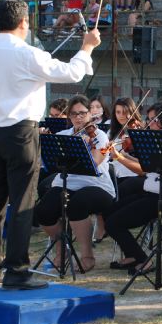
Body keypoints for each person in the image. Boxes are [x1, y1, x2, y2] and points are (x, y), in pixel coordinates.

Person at [0, 0, 100, 290]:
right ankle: (16, 271)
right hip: (20, 132)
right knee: (22, 203)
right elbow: (72, 73)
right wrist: (88, 46)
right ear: (23, 23)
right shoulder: (28, 53)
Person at [104, 101, 162, 275]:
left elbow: (144, 169)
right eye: (148, 119)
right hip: (151, 191)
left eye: (153, 120)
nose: (149, 124)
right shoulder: (155, 138)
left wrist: (119, 158)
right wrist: (126, 156)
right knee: (109, 212)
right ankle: (132, 255)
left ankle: (142, 259)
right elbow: (147, 165)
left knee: (114, 223)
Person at [35, 95, 115, 274]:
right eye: (74, 114)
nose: (79, 117)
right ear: (69, 116)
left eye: (83, 113)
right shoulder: (62, 136)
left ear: (90, 113)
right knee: (43, 211)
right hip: (66, 182)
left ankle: (87, 256)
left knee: (77, 205)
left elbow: (96, 161)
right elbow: (46, 161)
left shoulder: (100, 136)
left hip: (97, 186)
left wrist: (87, 147)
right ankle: (62, 248)